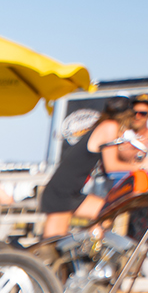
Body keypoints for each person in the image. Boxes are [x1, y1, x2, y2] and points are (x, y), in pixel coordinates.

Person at [40, 97, 132, 237]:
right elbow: (112, 166)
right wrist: (142, 166)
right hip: (61, 192)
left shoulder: (104, 125)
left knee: (108, 211)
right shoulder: (110, 126)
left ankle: (91, 247)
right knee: (50, 247)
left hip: (70, 191)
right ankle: (89, 245)